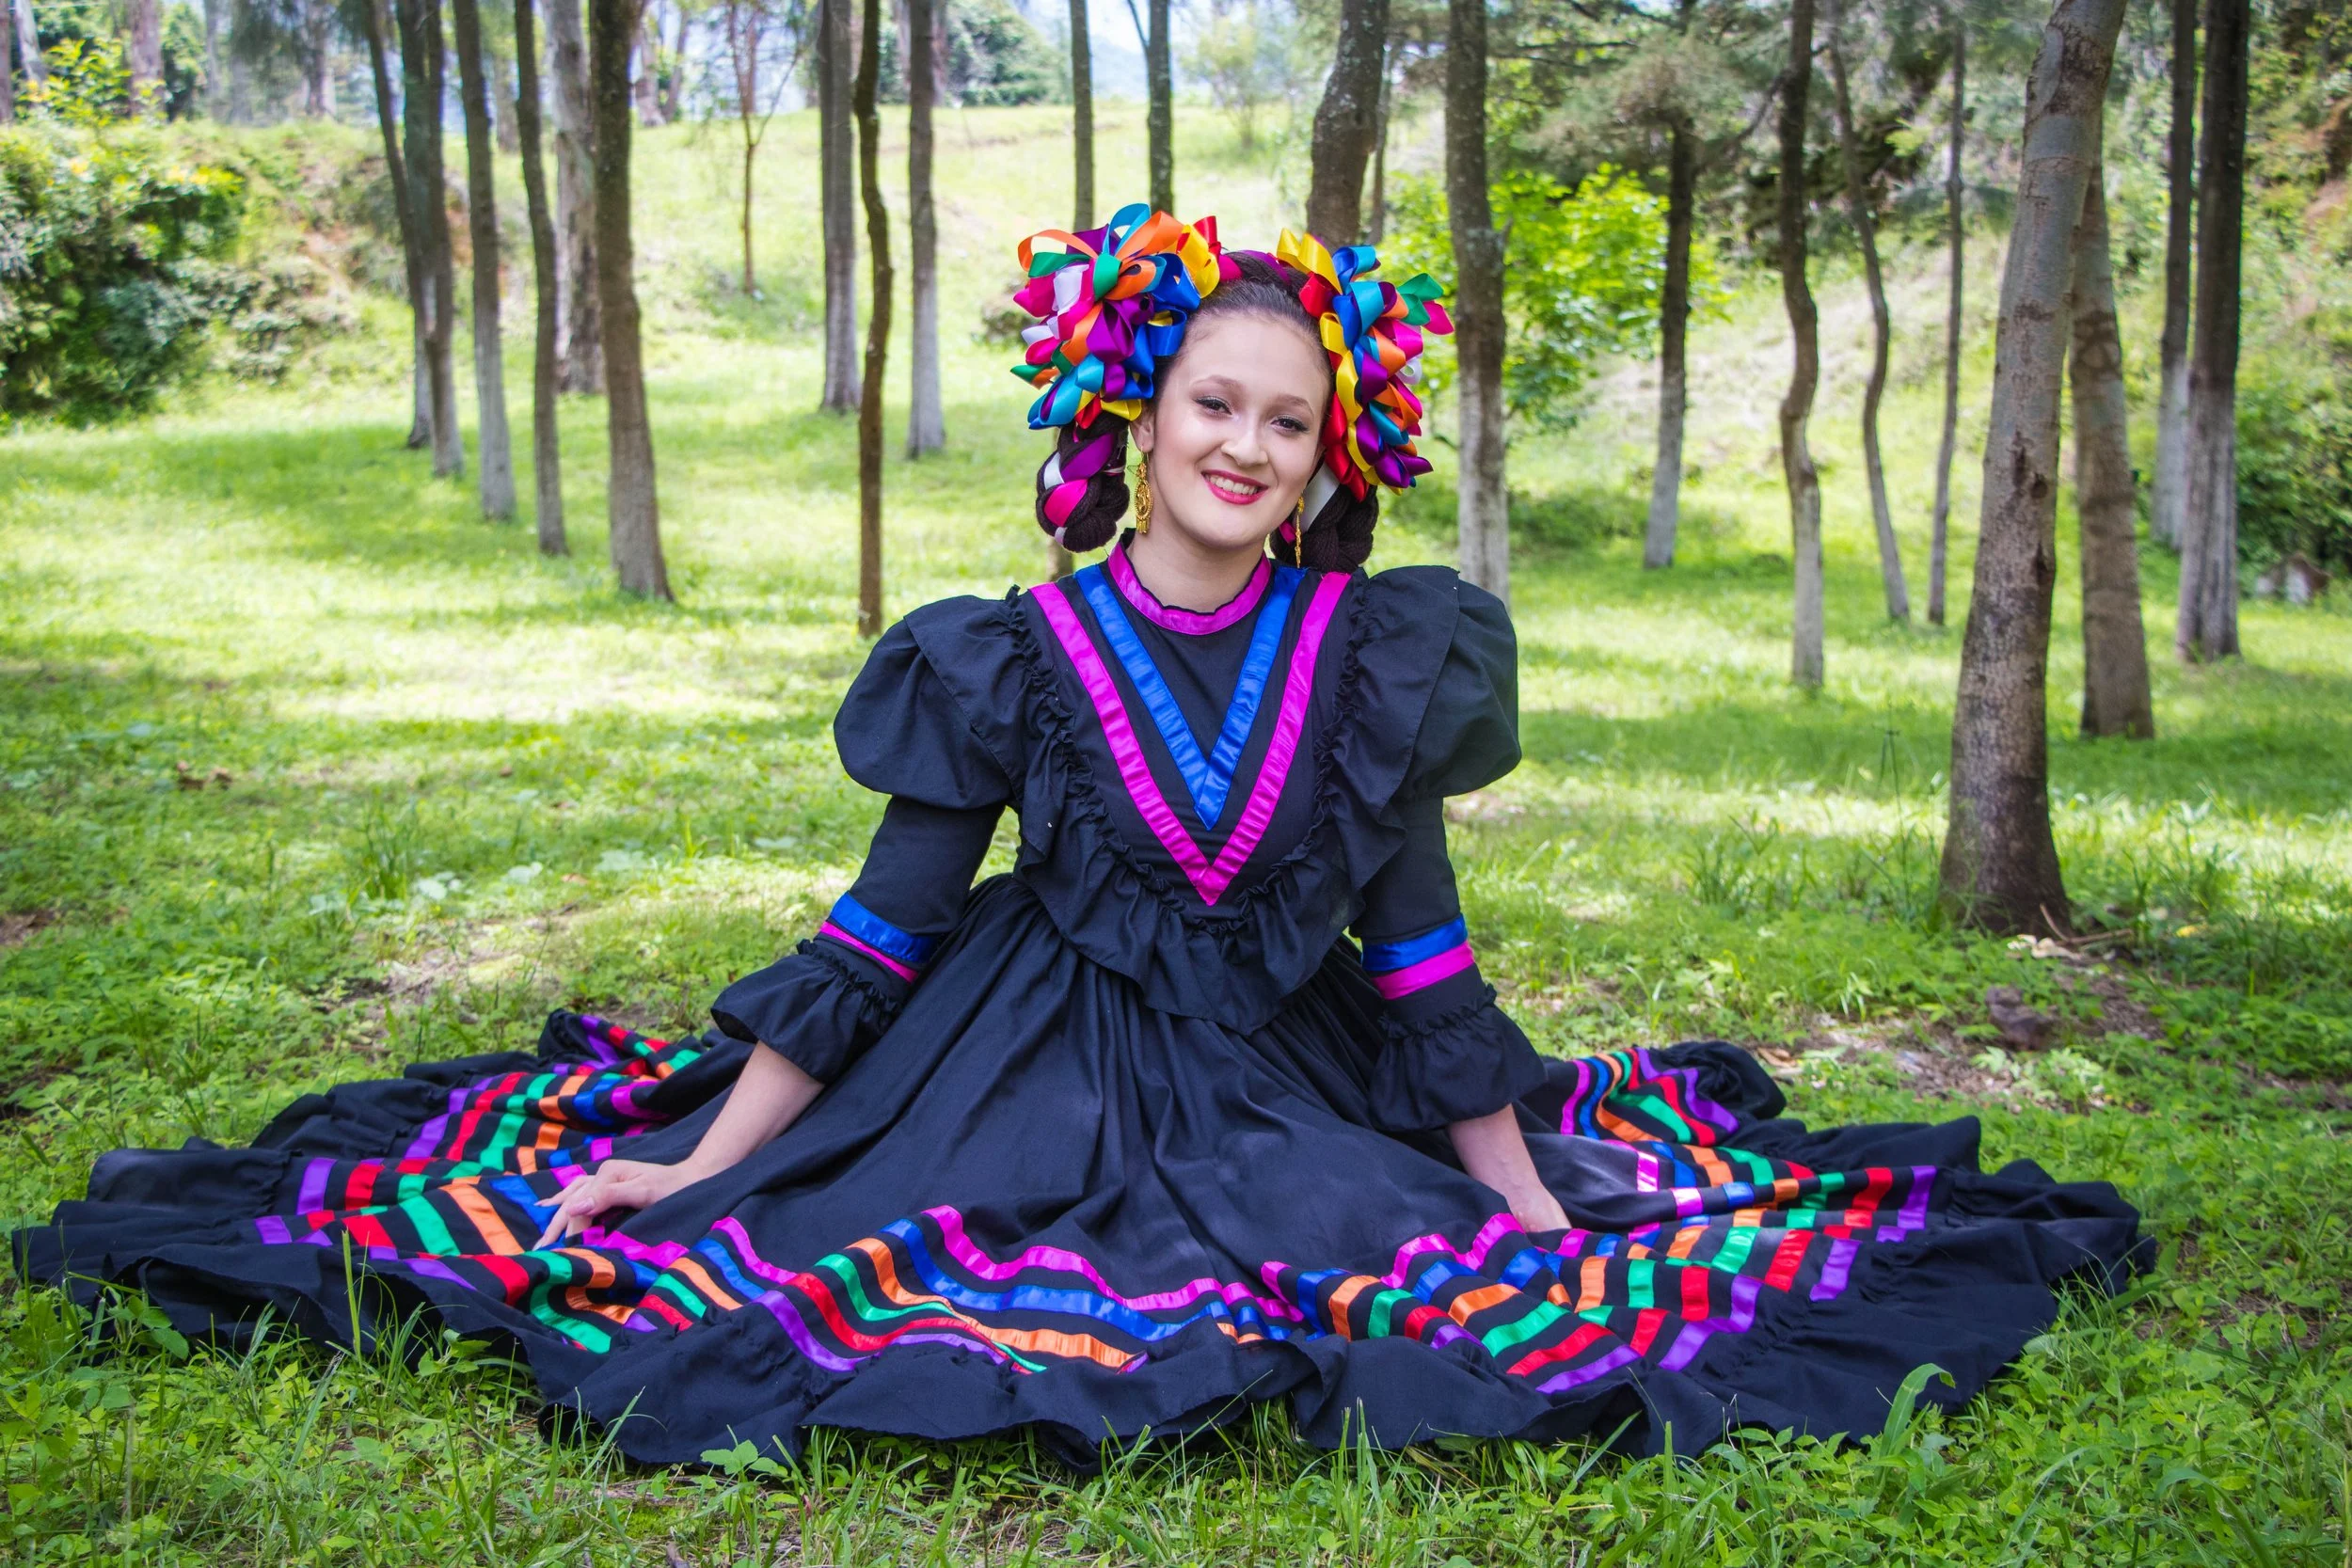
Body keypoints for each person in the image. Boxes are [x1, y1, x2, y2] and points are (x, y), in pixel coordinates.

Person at [16, 209, 2144, 1469]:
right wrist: (709, 1156)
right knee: (830, 1238)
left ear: (1324, 468)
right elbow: (875, 928)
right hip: (1017, 1049)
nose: (1242, 443)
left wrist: (1530, 1191)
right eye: (1209, 403)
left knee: (1389, 1247)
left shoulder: (1374, 653)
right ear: (1130, 424)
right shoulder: (1005, 655)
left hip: (1288, 1050)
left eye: (1285, 422)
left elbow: (1414, 949)